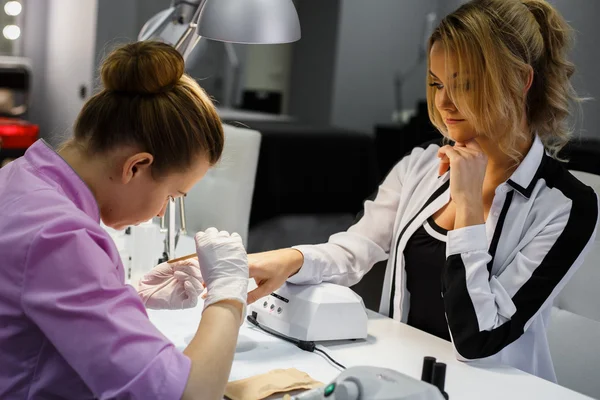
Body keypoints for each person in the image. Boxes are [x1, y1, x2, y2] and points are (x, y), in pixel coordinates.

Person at [246, 0, 598, 382]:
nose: (444, 102)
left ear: (521, 81)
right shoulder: (422, 164)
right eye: (436, 82)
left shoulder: (567, 207)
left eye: (463, 84)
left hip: (492, 388)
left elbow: (480, 336)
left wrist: (467, 205)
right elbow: (356, 249)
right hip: (403, 373)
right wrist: (289, 259)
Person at [0, 41, 249, 400]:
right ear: (136, 166)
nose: (163, 211)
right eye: (173, 195)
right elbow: (189, 394)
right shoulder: (60, 235)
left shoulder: (21, 177)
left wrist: (123, 294)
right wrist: (227, 295)